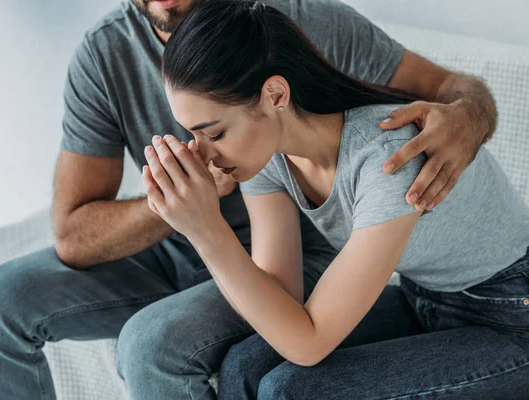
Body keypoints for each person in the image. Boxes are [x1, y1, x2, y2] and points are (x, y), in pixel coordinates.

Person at [0, 0, 499, 399]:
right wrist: (178, 207)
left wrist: (469, 120)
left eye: (213, 132)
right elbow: (73, 236)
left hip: (334, 262)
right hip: (198, 246)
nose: (166, 3)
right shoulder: (110, 55)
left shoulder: (293, 28)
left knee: (156, 346)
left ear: (276, 94)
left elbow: (448, 88)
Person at [143, 0, 529, 398]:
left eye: (215, 133)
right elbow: (281, 297)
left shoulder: (388, 158)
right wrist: (200, 221)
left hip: (510, 314)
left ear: (275, 95)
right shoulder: (268, 159)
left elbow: (308, 344)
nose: (202, 154)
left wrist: (206, 229)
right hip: (425, 299)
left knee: (290, 390)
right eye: (193, 133)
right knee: (244, 365)